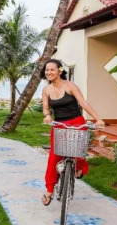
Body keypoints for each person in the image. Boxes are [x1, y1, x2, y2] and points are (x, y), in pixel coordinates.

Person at [41, 59, 105, 206]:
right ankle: (49, 191)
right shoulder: (46, 90)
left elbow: (83, 103)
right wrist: (47, 115)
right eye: (47, 70)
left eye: (52, 69)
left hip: (76, 122)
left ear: (60, 71)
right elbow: (45, 107)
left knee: (77, 152)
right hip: (59, 125)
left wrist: (98, 118)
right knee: (54, 157)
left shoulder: (70, 86)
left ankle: (78, 167)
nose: (49, 72)